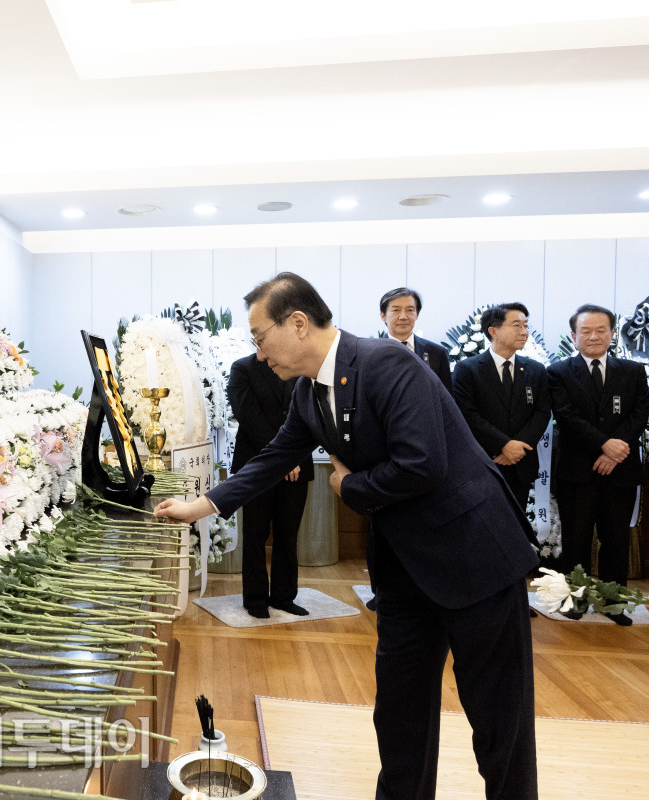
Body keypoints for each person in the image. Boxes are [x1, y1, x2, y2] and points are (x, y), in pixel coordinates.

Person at [156, 272, 538, 800]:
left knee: (500, 724)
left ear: (297, 323)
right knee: (400, 716)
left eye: (259, 337)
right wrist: (199, 506)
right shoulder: (309, 394)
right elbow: (274, 457)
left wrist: (349, 484)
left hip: (472, 555)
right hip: (404, 570)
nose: (259, 353)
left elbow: (422, 464)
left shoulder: (387, 365)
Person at [546, 304, 649, 625]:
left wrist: (615, 451)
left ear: (612, 333)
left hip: (621, 471)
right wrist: (604, 445)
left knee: (616, 539)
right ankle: (573, 601)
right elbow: (566, 416)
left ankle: (612, 602)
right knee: (575, 540)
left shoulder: (632, 372)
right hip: (577, 472)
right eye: (586, 331)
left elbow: (640, 413)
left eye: (601, 330)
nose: (594, 336)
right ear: (574, 336)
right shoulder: (558, 372)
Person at [227, 354, 313, 618]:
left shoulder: (300, 364)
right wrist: (283, 459)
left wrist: (292, 458)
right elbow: (249, 417)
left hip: (297, 465)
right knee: (255, 534)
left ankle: (284, 597)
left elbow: (309, 413)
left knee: (288, 534)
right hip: (257, 464)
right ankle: (254, 600)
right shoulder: (242, 368)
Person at [452, 302, 551, 512]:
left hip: (520, 463)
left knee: (517, 528)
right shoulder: (467, 369)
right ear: (493, 330)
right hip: (485, 462)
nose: (524, 332)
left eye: (526, 326)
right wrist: (503, 445)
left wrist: (517, 447)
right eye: (517, 325)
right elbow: (467, 415)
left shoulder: (535, 369)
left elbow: (542, 412)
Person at [379, 286, 452, 391]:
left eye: (409, 310)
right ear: (383, 316)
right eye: (396, 310)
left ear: (417, 314)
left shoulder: (436, 353)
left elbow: (446, 399)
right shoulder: (369, 353)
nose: (403, 316)